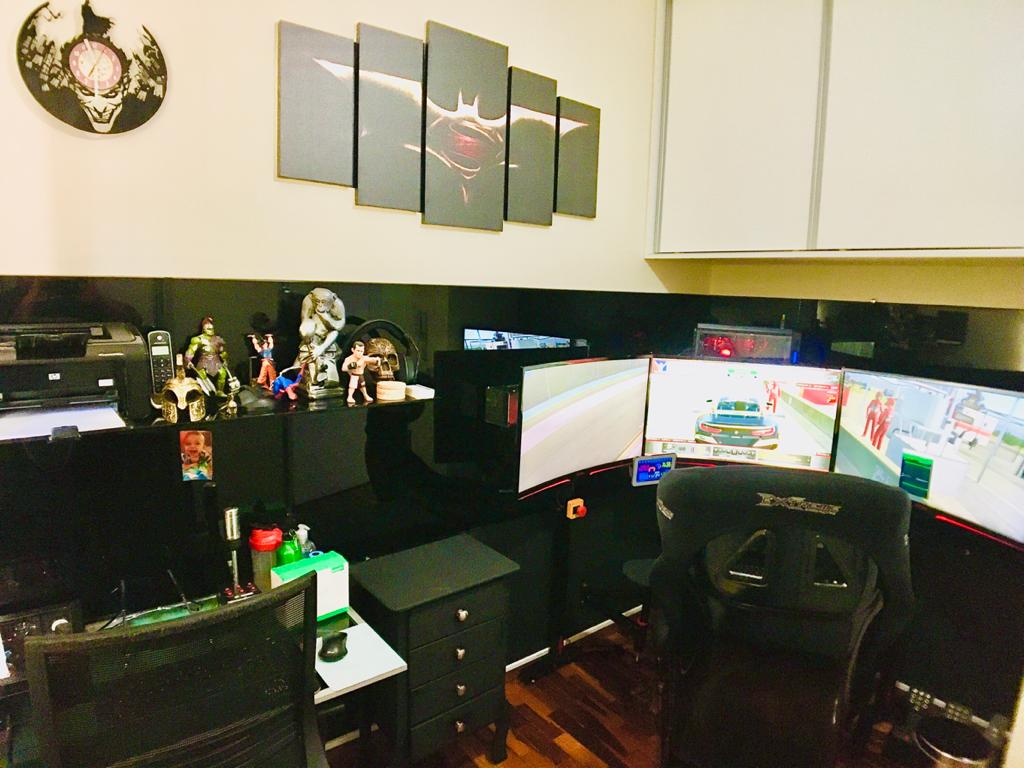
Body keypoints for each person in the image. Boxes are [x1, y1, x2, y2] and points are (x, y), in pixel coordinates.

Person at [186, 316, 229, 395]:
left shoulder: (217, 339)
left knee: (222, 373)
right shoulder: (198, 339)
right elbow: (191, 351)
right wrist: (188, 361)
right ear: (203, 328)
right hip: (204, 361)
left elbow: (222, 351)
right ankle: (206, 393)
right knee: (201, 375)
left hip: (215, 361)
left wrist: (225, 359)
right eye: (207, 325)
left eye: (211, 326)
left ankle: (220, 391)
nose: (210, 327)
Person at [342, 340, 380, 405]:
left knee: (362, 386)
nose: (360, 353)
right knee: (352, 387)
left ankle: (365, 395)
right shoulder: (349, 359)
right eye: (358, 351)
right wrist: (353, 365)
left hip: (361, 375)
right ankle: (350, 396)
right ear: (353, 350)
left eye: (361, 351)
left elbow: (372, 360)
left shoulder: (364, 358)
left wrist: (377, 360)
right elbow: (343, 368)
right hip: (354, 375)